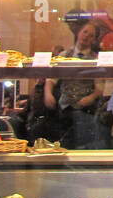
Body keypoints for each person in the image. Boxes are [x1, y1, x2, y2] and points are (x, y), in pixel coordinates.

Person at [44, 20, 109, 150]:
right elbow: (51, 79)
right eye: (85, 32)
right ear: (78, 33)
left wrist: (90, 98)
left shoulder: (96, 59)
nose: (86, 36)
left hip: (86, 110)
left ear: (94, 40)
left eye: (91, 35)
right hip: (64, 108)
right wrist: (48, 94)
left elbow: (99, 88)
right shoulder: (64, 56)